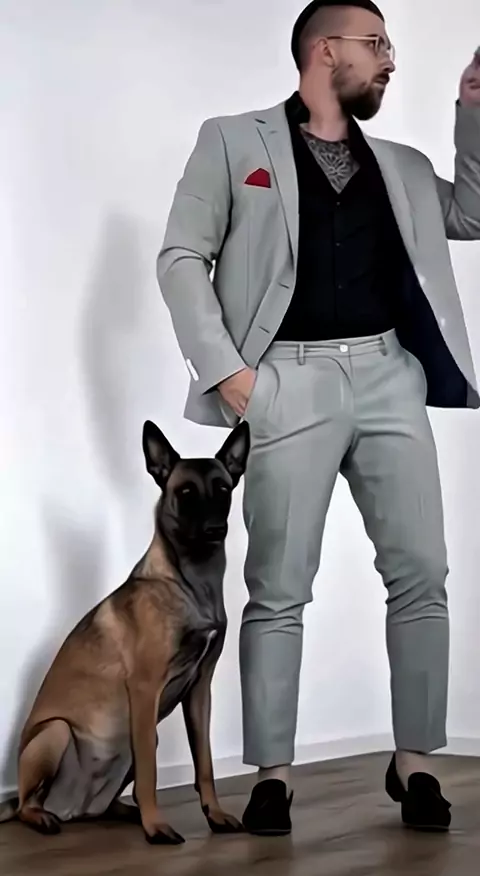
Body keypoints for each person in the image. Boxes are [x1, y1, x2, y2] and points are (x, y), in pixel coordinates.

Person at [157, 0, 480, 836]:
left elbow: (473, 214)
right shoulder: (234, 141)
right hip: (284, 384)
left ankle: (415, 764)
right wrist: (229, 373)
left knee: (422, 574)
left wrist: (473, 111)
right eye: (376, 43)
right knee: (277, 588)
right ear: (324, 49)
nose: (390, 58)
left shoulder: (401, 166)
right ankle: (273, 775)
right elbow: (182, 256)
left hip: (388, 376)